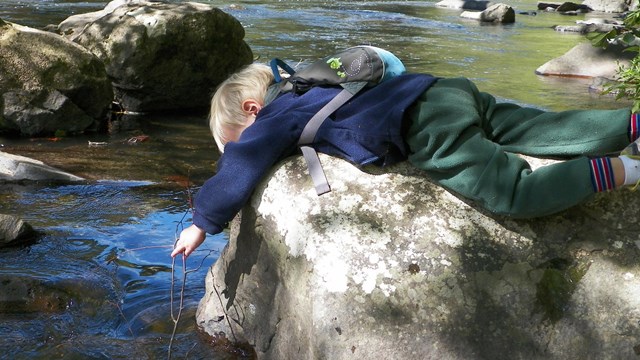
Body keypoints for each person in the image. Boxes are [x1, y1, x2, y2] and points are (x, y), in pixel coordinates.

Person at [171, 50, 640, 260]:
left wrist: (201, 222)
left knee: (513, 193)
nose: (240, 146)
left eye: (234, 136)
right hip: (442, 91)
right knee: (535, 127)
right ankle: (630, 125)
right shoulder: (311, 81)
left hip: (423, 125)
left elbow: (242, 165)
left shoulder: (274, 117)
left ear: (252, 110)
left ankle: (628, 168)